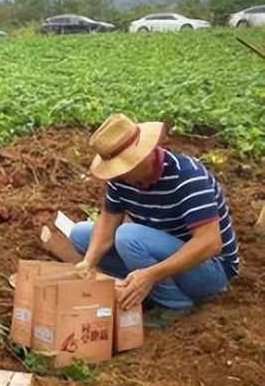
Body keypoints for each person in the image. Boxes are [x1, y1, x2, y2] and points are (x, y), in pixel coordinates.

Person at [70, 114, 240, 328]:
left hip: (210, 271)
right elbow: (107, 222)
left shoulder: (187, 176)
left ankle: (176, 303)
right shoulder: (121, 180)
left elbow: (210, 244)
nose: (120, 174)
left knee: (128, 237)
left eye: (126, 166)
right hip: (162, 255)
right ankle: (148, 290)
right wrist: (88, 262)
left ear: (146, 155)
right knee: (80, 234)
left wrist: (150, 275)